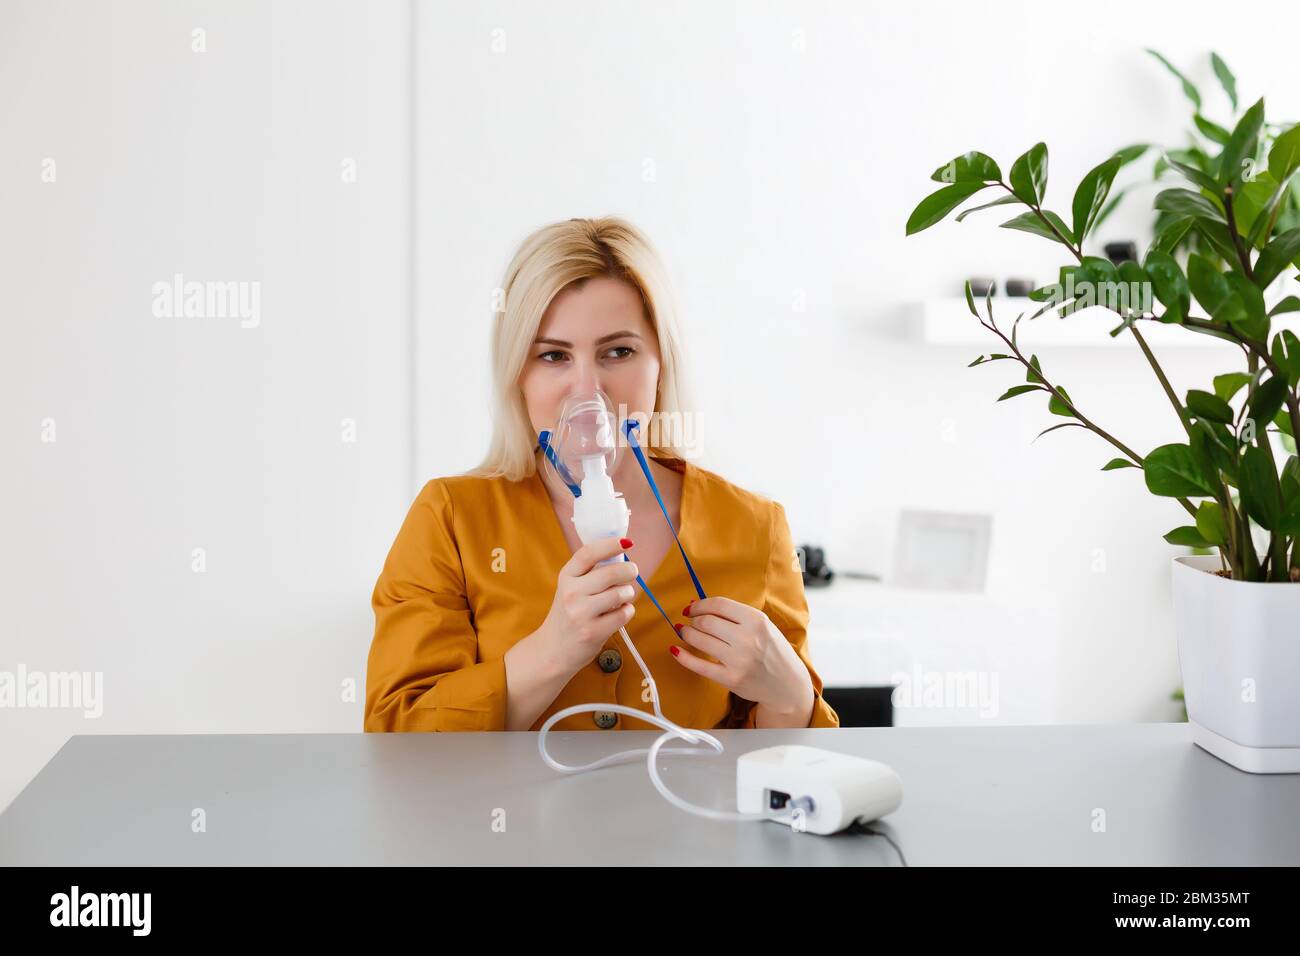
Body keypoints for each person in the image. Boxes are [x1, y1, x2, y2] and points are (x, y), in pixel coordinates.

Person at [363, 216, 840, 733]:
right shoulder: (452, 520)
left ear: (662, 363)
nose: (587, 391)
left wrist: (790, 699)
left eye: (619, 352)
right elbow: (396, 738)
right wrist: (551, 652)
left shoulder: (754, 527)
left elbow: (793, 771)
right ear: (518, 374)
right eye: (553, 356)